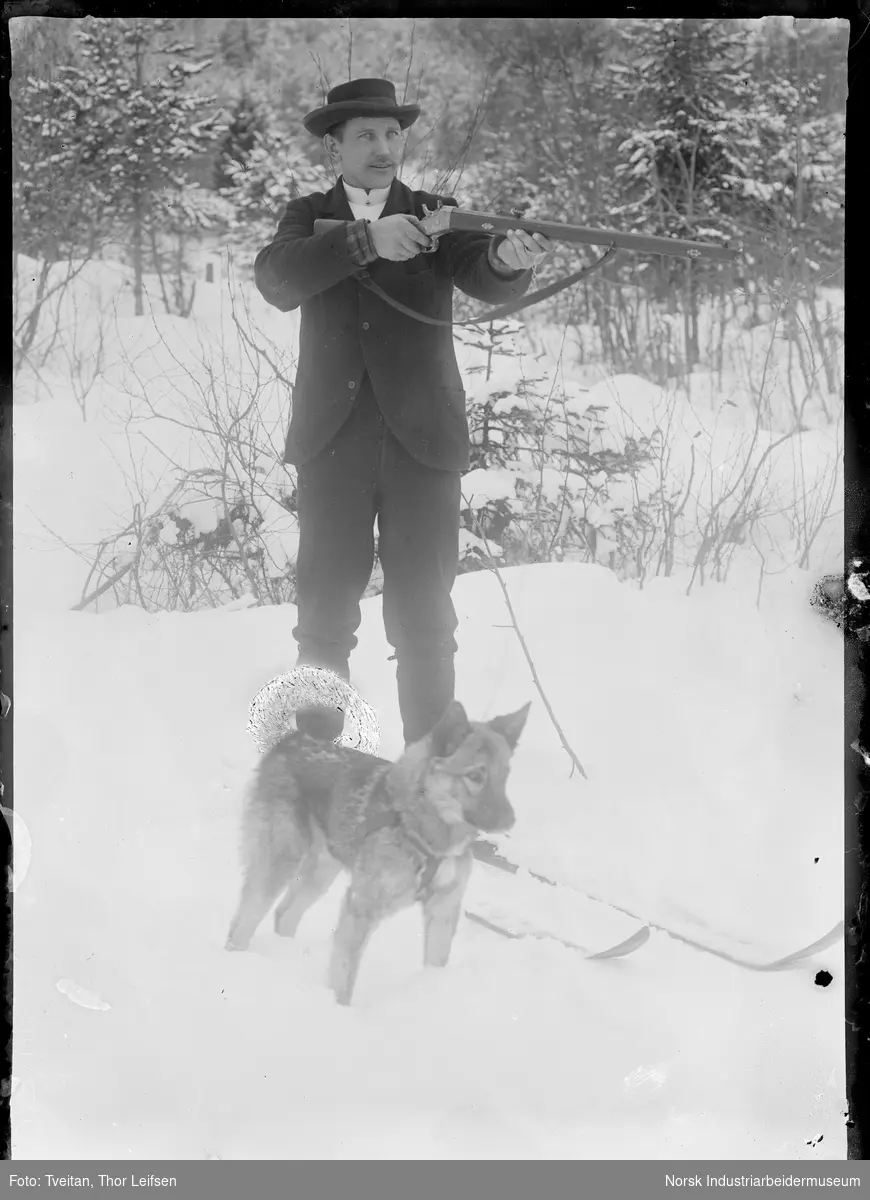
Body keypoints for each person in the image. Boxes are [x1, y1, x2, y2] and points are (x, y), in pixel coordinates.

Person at [254, 77, 551, 747]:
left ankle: (430, 771)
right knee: (324, 617)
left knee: (425, 620)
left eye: (392, 134)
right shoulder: (306, 215)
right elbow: (276, 277)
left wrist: (508, 258)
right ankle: (317, 764)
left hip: (423, 444)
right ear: (335, 146)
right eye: (366, 135)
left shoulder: (437, 212)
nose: (384, 147)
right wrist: (365, 241)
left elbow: (483, 268)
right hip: (334, 442)